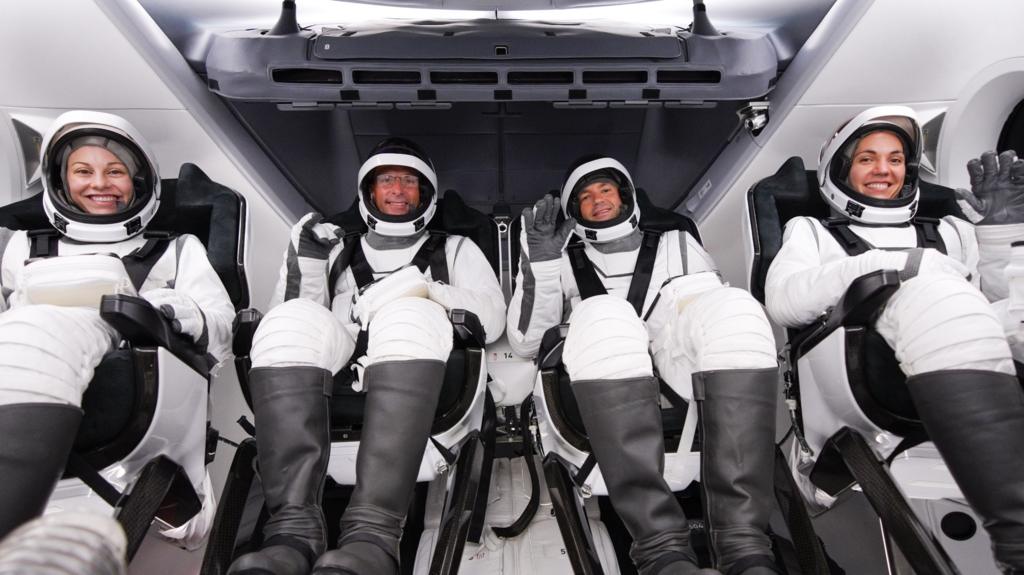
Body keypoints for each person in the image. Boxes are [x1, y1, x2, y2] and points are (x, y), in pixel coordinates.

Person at [765, 105, 1024, 573]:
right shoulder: (812, 232)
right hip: (861, 378)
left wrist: (1001, 237)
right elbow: (784, 301)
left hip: (968, 360)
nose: (883, 169)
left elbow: (998, 312)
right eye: (867, 158)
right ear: (841, 169)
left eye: (895, 158)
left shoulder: (950, 230)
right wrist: (898, 270)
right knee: (938, 294)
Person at [228, 138, 505, 575]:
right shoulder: (337, 248)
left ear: (425, 194)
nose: (397, 190)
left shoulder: (455, 250)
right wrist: (309, 264)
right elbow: (297, 316)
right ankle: (291, 531)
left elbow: (492, 317)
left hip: (427, 366)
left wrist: (425, 290)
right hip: (340, 361)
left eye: (409, 182)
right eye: (387, 181)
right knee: (288, 322)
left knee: (408, 313)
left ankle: (374, 535)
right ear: (368, 193)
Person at [507, 157, 780, 575]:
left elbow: (704, 313)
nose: (597, 201)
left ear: (626, 196)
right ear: (575, 213)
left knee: (734, 306)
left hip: (679, 368)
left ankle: (745, 545)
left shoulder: (677, 244)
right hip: (603, 368)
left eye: (605, 190)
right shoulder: (561, 260)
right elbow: (526, 342)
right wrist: (542, 266)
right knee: (602, 313)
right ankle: (661, 549)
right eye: (584, 197)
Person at [0, 110, 234, 541]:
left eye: (115, 172)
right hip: (21, 374)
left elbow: (221, 329)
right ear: (60, 180)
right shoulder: (22, 247)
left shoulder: (177, 250)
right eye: (83, 171)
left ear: (138, 182)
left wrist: (174, 311)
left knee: (33, 333)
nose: (100, 184)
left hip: (139, 393)